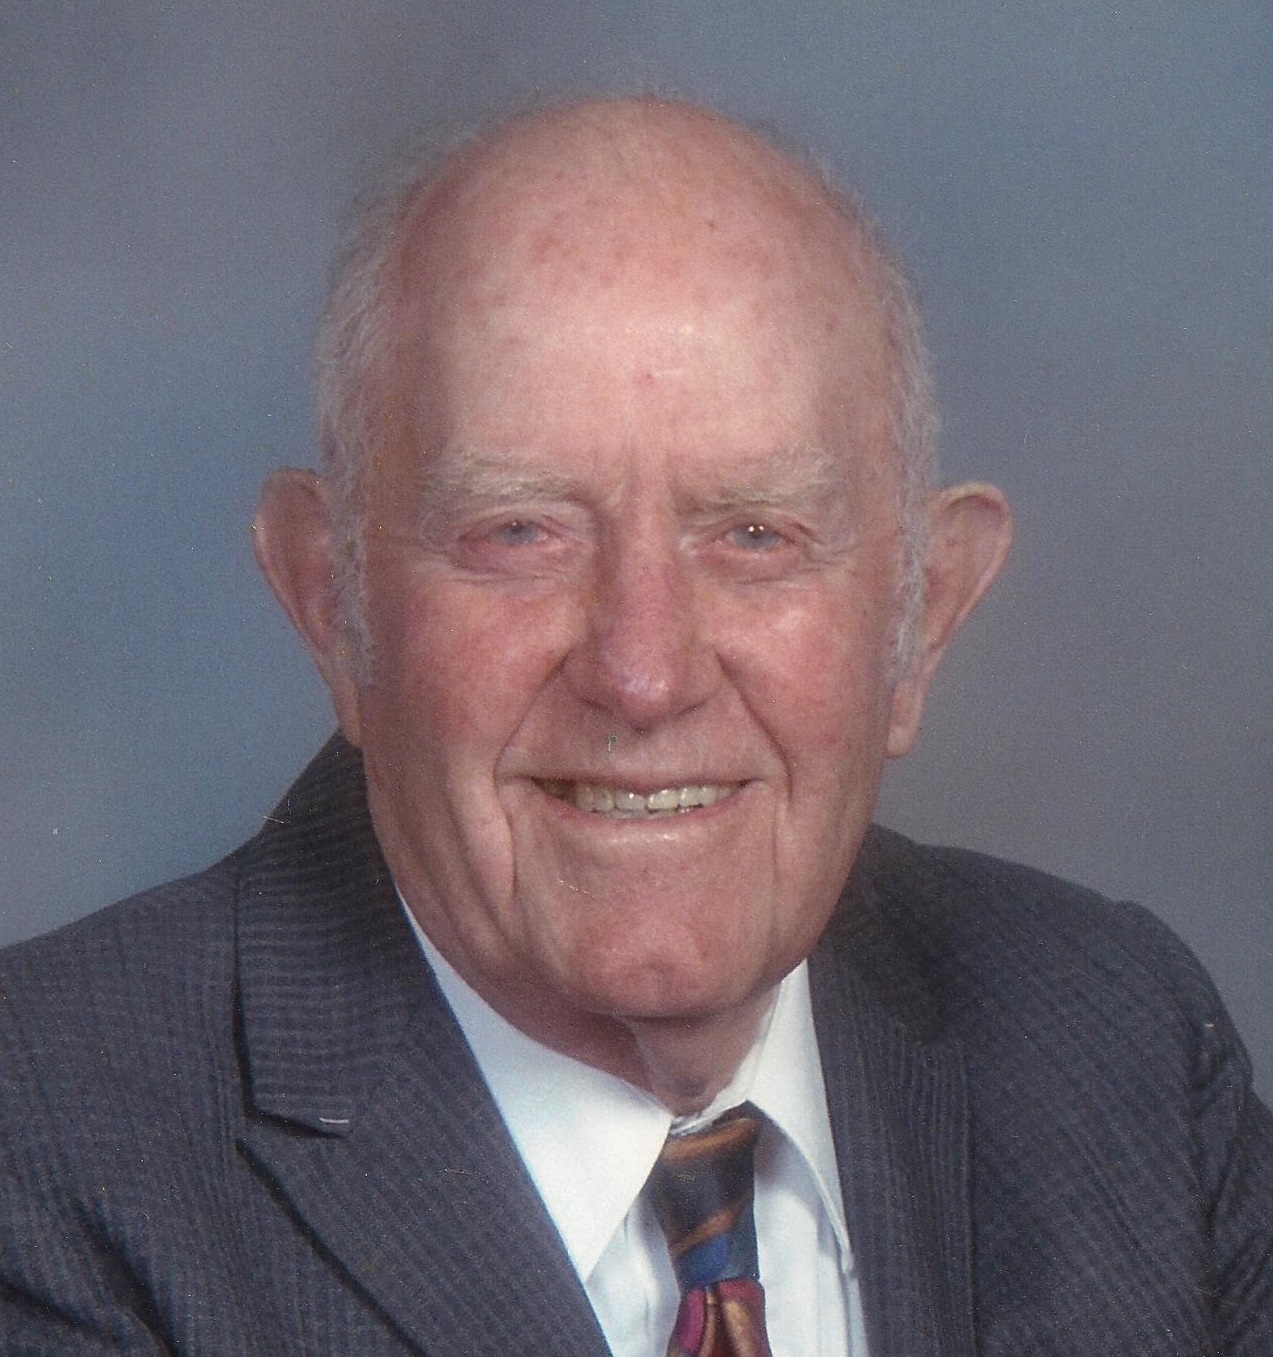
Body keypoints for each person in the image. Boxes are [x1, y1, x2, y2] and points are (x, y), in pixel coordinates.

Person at [1, 95, 1269, 1357]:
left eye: (756, 535)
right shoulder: (46, 1146)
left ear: (922, 616)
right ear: (330, 602)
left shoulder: (1119, 1042)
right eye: (519, 532)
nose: (643, 674)